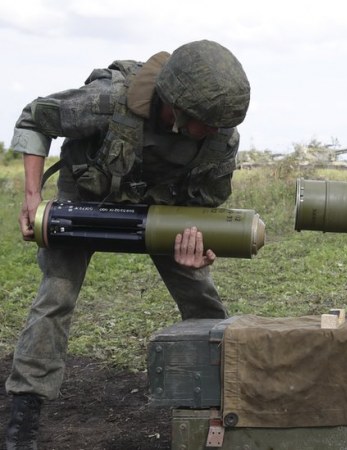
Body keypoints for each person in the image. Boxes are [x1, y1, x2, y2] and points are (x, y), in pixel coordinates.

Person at [5, 39, 250, 449]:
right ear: (174, 104)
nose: (214, 131)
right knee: (55, 296)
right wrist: (33, 197)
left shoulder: (220, 135)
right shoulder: (107, 101)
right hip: (84, 202)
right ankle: (24, 410)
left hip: (162, 211)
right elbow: (35, 118)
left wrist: (202, 248)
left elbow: (206, 207)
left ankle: (219, 395)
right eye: (205, 122)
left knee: (202, 299)